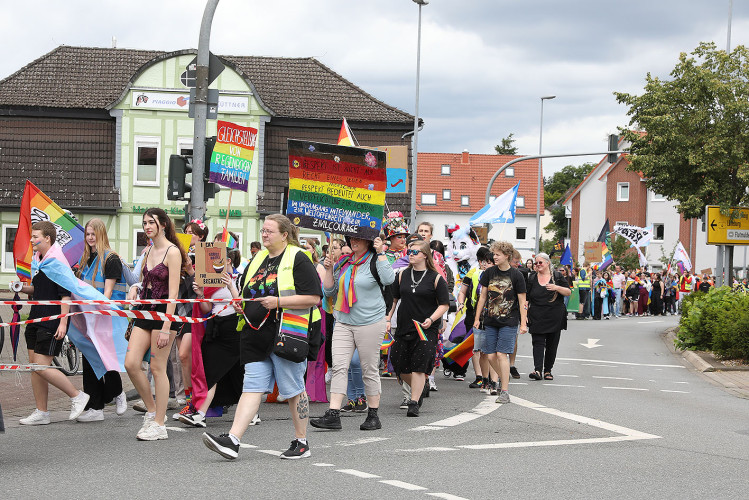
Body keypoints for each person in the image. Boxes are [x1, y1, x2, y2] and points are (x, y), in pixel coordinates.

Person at [202, 214, 322, 460]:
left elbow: (313, 298)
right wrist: (238, 302)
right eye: (263, 230)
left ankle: (302, 441)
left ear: (284, 234)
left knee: (293, 390)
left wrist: (278, 302)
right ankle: (233, 440)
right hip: (256, 333)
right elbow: (248, 295)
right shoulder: (257, 259)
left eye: (269, 231)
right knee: (252, 387)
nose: (264, 234)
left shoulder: (298, 257)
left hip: (287, 332)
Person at [310, 233, 394, 431]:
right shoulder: (344, 263)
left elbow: (389, 279)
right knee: (339, 366)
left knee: (369, 369)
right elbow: (329, 292)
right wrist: (329, 269)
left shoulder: (375, 260)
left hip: (370, 322)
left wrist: (381, 252)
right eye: (351, 239)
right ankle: (333, 414)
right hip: (344, 321)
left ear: (368, 241)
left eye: (358, 238)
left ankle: (373, 415)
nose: (353, 242)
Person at [124, 208, 189, 441]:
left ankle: (159, 424)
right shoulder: (148, 250)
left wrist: (166, 326)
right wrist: (134, 287)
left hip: (164, 313)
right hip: (144, 310)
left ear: (162, 224)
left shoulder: (172, 252)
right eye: (144, 223)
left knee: (157, 367)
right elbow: (143, 281)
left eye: (151, 222)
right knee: (131, 363)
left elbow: (173, 293)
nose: (147, 227)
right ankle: (152, 410)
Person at [19, 221, 90, 425]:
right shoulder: (39, 260)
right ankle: (42, 412)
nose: (32, 240)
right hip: (35, 317)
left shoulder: (57, 262)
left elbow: (65, 295)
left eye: (35, 236)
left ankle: (77, 395)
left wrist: (62, 323)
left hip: (51, 321)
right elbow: (39, 291)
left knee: (42, 366)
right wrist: (24, 289)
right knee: (35, 367)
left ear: (47, 238)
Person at [387, 238, 449, 417]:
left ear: (425, 255)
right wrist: (388, 318)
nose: (410, 255)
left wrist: (432, 319)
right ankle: (419, 388)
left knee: (419, 366)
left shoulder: (436, 278)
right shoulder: (402, 275)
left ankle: (414, 402)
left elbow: (444, 304)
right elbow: (394, 299)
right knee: (399, 365)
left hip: (425, 328)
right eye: (409, 252)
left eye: (415, 252)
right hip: (404, 325)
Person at [74, 218, 128, 422]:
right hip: (88, 315)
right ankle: (95, 407)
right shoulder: (86, 259)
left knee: (105, 357)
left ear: (101, 234)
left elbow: (107, 293)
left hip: (106, 317)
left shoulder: (111, 259)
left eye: (93, 234)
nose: (90, 238)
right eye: (87, 234)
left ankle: (116, 392)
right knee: (89, 359)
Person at [180, 267, 242, 428]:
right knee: (212, 371)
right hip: (216, 329)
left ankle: (201, 414)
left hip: (234, 328)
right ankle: (200, 414)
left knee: (235, 373)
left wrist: (231, 286)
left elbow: (241, 304)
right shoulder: (210, 281)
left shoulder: (238, 278)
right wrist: (201, 294)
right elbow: (207, 309)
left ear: (228, 260)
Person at [473, 241, 527, 404]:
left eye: (497, 254)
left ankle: (504, 391)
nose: (494, 257)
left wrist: (523, 323)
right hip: (490, 320)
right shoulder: (489, 273)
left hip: (509, 321)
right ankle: (503, 379)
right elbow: (482, 296)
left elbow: (522, 300)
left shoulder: (516, 275)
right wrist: (477, 318)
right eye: (493, 254)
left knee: (501, 354)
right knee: (490, 356)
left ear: (506, 256)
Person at [526, 253, 570, 381]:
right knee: (537, 343)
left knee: (552, 344)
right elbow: (526, 298)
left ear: (547, 263)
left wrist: (556, 287)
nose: (538, 265)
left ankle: (548, 370)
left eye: (540, 262)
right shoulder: (532, 277)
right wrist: (524, 315)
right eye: (536, 263)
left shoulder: (557, 276)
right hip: (536, 315)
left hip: (555, 315)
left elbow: (568, 292)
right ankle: (538, 370)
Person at [457, 246, 496, 391]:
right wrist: (461, 303)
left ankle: (493, 378)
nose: (485, 264)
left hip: (492, 315)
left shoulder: (498, 275)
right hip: (473, 314)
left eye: (489, 261)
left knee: (491, 348)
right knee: (477, 347)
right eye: (484, 261)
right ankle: (480, 376)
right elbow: (462, 291)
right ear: (479, 261)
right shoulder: (472, 273)